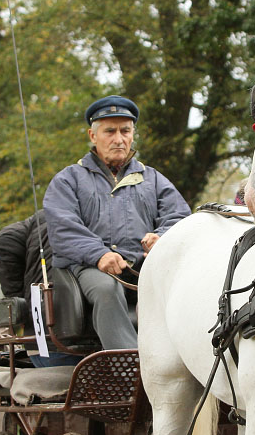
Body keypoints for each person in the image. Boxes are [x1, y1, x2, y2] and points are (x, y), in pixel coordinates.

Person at [43, 95, 191, 350]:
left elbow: (179, 217)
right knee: (106, 289)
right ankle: (129, 367)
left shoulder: (153, 179)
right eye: (110, 131)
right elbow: (62, 227)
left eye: (125, 130)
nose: (119, 139)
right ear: (93, 135)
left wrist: (162, 237)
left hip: (143, 266)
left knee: (188, 285)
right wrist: (98, 254)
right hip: (87, 268)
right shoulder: (68, 180)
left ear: (133, 134)